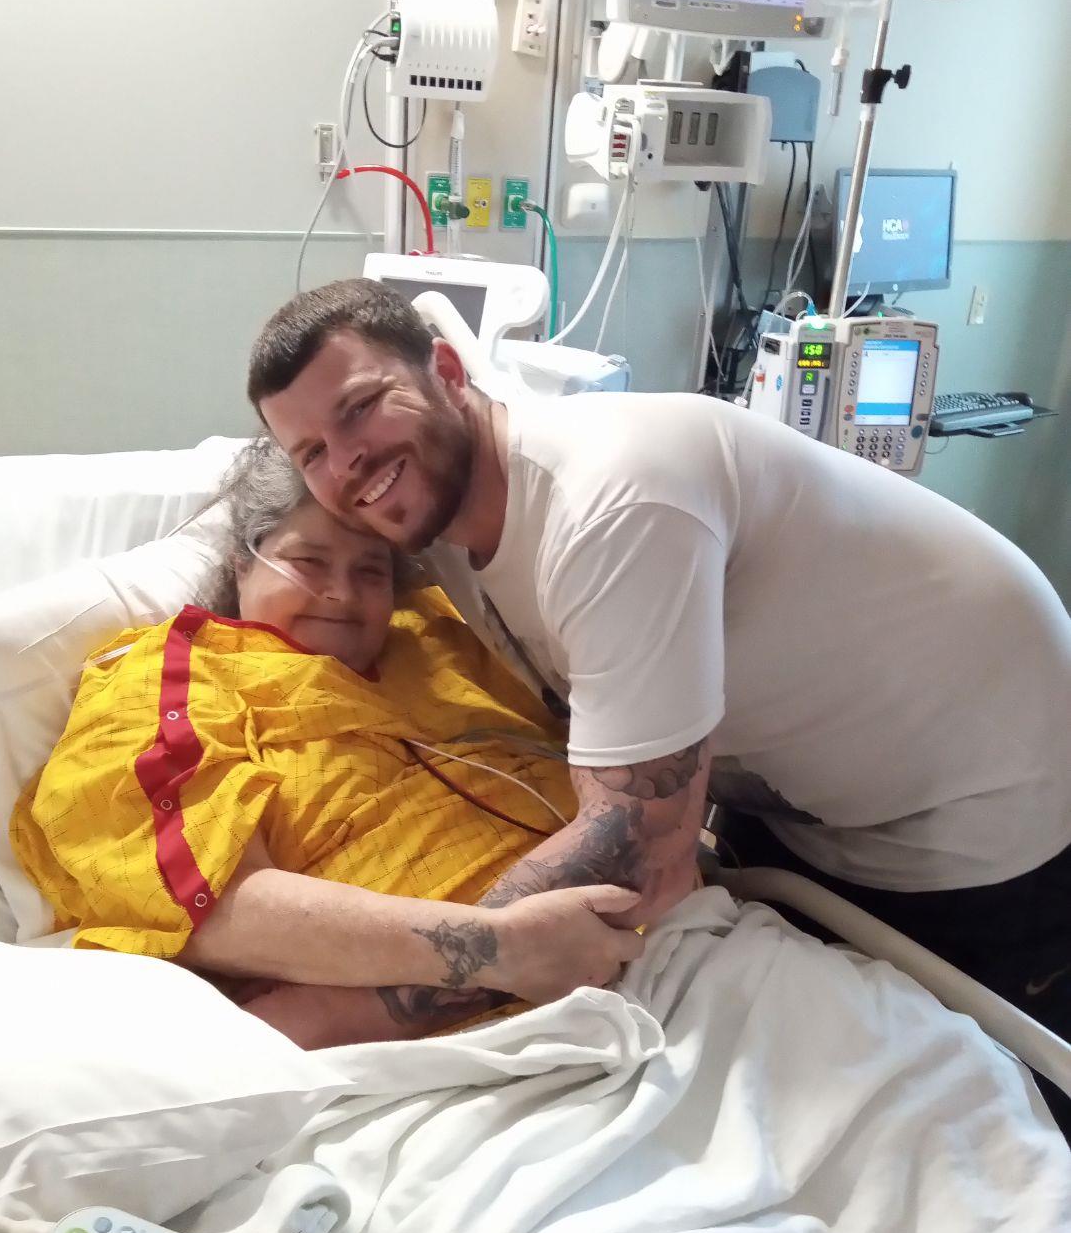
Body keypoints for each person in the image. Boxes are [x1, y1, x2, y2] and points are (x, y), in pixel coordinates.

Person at [246, 277, 1071, 1049]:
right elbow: (266, 547)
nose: (345, 463)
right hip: (804, 797)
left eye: (360, 408)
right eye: (310, 451)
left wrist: (335, 1013)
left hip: (976, 797)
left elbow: (639, 852)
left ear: (451, 371)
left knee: (993, 1092)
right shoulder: (434, 522)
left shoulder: (613, 502)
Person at [10, 438, 642, 1048]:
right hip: (480, 1018)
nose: (342, 593)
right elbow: (219, 909)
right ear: (242, 561)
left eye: (370, 571)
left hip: (656, 936)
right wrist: (498, 950)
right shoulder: (171, 677)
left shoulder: (442, 641)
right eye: (309, 563)